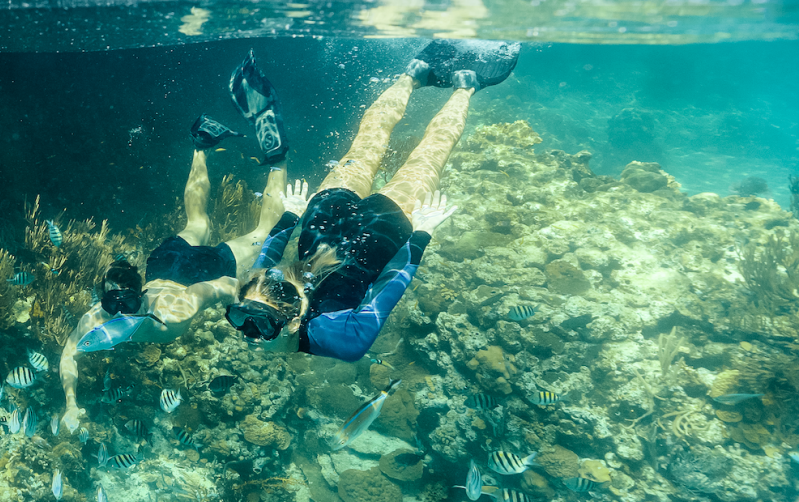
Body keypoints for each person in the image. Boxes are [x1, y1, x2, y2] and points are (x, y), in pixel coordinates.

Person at [224, 39, 519, 361]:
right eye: (251, 324)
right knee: (415, 153)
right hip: (350, 224)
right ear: (293, 322)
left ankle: (426, 77)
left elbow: (268, 259)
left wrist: (291, 216)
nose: (248, 334)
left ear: (295, 323)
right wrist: (420, 233)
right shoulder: (344, 340)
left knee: (391, 148)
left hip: (353, 223)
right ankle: (455, 83)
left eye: (246, 319)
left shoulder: (343, 341)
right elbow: (387, 289)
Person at [58, 55, 303, 432]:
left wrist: (252, 311)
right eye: (112, 304)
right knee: (197, 222)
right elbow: (68, 355)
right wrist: (71, 405)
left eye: (124, 303)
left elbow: (221, 286)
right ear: (104, 298)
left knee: (260, 233)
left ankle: (276, 158)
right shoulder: (99, 318)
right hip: (162, 262)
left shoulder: (175, 312)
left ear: (139, 293)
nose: (120, 312)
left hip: (191, 273)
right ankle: (201, 142)